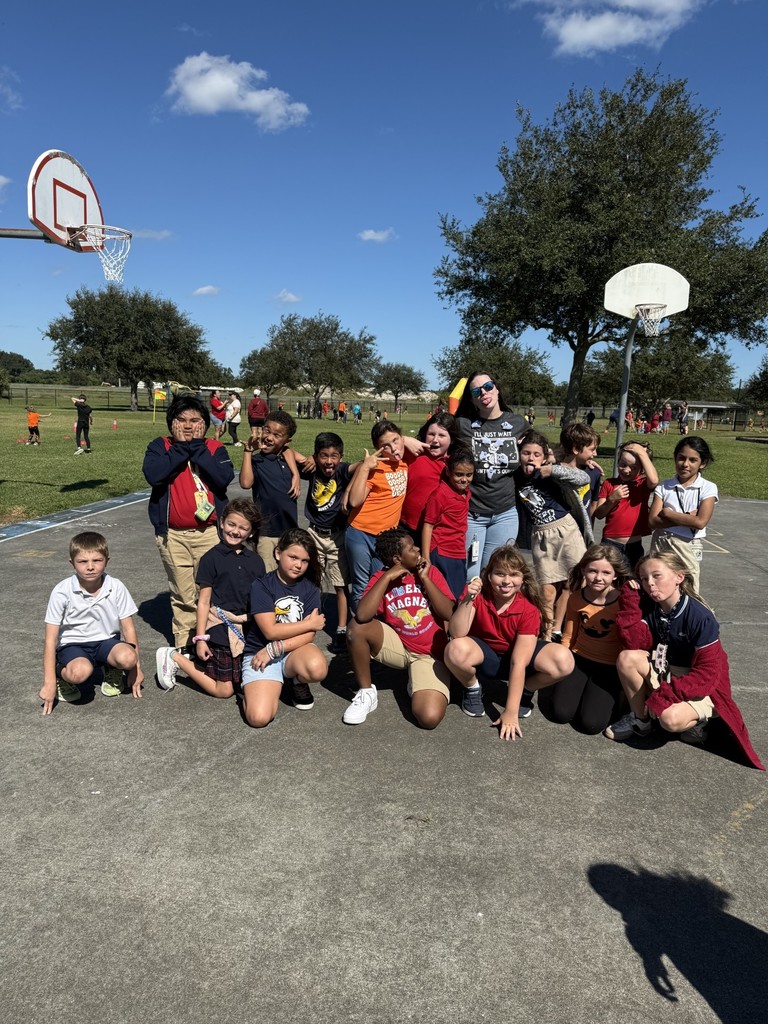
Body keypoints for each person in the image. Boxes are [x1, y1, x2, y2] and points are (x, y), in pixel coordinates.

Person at [604, 553, 764, 769]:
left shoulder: (700, 616)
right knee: (627, 658)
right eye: (643, 578)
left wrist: (664, 696)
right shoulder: (652, 606)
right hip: (667, 671)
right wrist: (630, 599)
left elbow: (707, 675)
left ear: (679, 577)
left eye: (657, 575)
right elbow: (634, 642)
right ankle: (640, 720)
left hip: (701, 684)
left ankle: (701, 721)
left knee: (669, 720)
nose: (649, 583)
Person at [443, 546, 574, 739]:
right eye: (499, 574)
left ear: (522, 579)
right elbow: (456, 632)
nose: (506, 581)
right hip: (485, 657)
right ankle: (472, 687)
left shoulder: (527, 609)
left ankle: (526, 690)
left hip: (517, 658)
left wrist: (510, 713)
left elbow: (519, 662)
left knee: (563, 660)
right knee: (455, 649)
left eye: (514, 575)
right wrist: (469, 598)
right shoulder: (477, 595)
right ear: (489, 576)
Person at [142, 395, 235, 650]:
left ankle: (212, 641)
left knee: (211, 591)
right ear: (171, 423)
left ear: (204, 424)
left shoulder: (215, 448)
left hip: (209, 533)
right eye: (181, 420)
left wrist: (197, 447)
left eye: (195, 420)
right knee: (183, 593)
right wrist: (182, 448)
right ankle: (185, 643)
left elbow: (222, 479)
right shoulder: (160, 446)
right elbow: (155, 475)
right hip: (173, 535)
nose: (187, 425)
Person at [344, 528, 455, 728]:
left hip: (430, 655)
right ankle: (367, 693)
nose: (418, 549)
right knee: (356, 629)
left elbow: (448, 613)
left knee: (429, 718)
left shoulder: (430, 572)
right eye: (412, 548)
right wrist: (387, 578)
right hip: (400, 647)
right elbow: (362, 615)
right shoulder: (381, 577)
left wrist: (426, 579)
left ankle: (417, 681)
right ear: (397, 559)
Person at [154, 499, 265, 698]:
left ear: (251, 532)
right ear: (221, 522)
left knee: (247, 684)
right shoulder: (210, 559)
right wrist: (201, 638)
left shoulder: (256, 561)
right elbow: (203, 602)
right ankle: (175, 657)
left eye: (243, 528)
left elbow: (260, 600)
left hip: (247, 629)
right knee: (225, 691)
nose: (235, 531)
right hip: (220, 628)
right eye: (231, 524)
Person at [40, 531, 143, 714]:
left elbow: (128, 628)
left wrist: (135, 669)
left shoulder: (116, 586)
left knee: (128, 657)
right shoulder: (62, 591)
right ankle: (61, 674)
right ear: (72, 563)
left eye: (97, 560)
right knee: (79, 672)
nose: (90, 567)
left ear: (107, 561)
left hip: (106, 642)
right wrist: (48, 683)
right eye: (82, 562)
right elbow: (50, 639)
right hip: (73, 644)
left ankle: (113, 668)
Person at [538, 544, 632, 734]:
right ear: (583, 570)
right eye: (592, 571)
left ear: (615, 575)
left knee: (591, 724)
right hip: (579, 659)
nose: (598, 577)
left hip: (609, 666)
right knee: (560, 713)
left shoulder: (623, 601)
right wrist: (562, 661)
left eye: (606, 572)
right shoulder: (576, 598)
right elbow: (569, 635)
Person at [240, 528, 329, 727]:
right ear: (278, 553)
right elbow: (270, 631)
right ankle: (254, 687)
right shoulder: (262, 586)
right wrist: (308, 623)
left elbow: (308, 636)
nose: (298, 565)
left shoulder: (310, 589)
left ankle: (296, 681)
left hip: (291, 651)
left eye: (305, 561)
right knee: (258, 718)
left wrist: (274, 649)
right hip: (259, 652)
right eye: (293, 557)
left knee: (317, 668)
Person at [514, 429, 591, 638]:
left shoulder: (550, 472)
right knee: (547, 591)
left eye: (536, 454)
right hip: (541, 536)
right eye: (526, 453)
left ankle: (562, 631)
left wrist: (552, 469)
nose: (531, 458)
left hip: (566, 530)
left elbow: (582, 477)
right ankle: (546, 636)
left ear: (544, 456)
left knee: (574, 583)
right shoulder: (514, 476)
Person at [454, 372, 527, 579]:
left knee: (494, 574)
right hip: (473, 514)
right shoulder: (462, 424)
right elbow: (432, 436)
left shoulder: (517, 423)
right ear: (471, 398)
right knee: (471, 575)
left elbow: (538, 449)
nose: (483, 392)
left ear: (497, 388)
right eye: (476, 391)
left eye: (487, 386)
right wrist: (407, 440)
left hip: (505, 514)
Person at [298, 431, 358, 654]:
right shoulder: (313, 469)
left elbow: (363, 465)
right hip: (314, 533)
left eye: (334, 456)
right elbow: (287, 450)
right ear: (316, 456)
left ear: (341, 457)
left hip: (337, 536)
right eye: (323, 456)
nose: (329, 461)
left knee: (340, 585)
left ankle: (341, 629)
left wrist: (349, 489)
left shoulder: (342, 471)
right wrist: (309, 459)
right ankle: (307, 624)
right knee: (311, 581)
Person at [344, 420, 410, 610]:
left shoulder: (405, 462)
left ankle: (380, 628)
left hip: (385, 537)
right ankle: (358, 632)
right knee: (361, 585)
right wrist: (365, 468)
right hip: (360, 533)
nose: (393, 448)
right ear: (377, 449)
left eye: (396, 441)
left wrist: (406, 441)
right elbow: (355, 502)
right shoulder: (375, 468)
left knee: (381, 582)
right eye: (385, 446)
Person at [648, 436, 717, 593]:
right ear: (675, 458)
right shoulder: (664, 487)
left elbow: (700, 522)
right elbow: (652, 521)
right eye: (681, 458)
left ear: (703, 463)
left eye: (693, 460)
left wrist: (667, 513)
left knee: (689, 589)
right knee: (658, 588)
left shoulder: (707, 488)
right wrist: (687, 517)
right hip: (662, 541)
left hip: (689, 544)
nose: (685, 464)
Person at [239, 409, 301, 571]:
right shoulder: (257, 461)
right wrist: (248, 451)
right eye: (267, 430)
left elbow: (304, 459)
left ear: (287, 441)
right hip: (266, 533)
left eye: (277, 435)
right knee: (267, 575)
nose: (269, 437)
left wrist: (295, 474)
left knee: (289, 574)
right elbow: (246, 483)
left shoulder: (288, 458)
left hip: (289, 532)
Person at [421, 446, 474, 600]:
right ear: (449, 472)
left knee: (458, 594)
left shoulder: (465, 492)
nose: (464, 479)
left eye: (469, 475)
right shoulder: (440, 495)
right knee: (445, 597)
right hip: (442, 551)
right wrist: (426, 557)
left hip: (458, 550)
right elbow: (428, 525)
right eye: (459, 475)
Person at [594, 441, 658, 567]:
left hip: (634, 545)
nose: (627, 470)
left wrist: (641, 452)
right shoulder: (609, 484)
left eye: (634, 468)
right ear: (617, 462)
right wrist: (612, 499)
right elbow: (599, 514)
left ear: (642, 469)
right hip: (610, 544)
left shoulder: (642, 484)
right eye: (622, 465)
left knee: (631, 583)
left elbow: (654, 480)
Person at [399, 412, 458, 545]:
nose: (435, 439)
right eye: (431, 434)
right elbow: (384, 442)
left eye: (442, 435)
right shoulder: (414, 453)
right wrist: (403, 439)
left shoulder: (455, 465)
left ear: (452, 439)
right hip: (404, 525)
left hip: (435, 531)